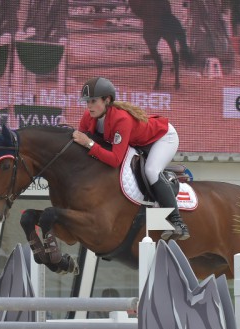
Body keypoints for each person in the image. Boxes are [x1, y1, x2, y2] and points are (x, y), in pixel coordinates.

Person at [72, 77, 190, 240]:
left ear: (107, 100)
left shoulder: (121, 119)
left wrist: (90, 144)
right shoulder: (88, 117)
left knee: (151, 171)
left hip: (163, 138)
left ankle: (178, 222)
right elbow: (82, 145)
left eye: (93, 101)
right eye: (87, 102)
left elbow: (114, 159)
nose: (89, 106)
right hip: (138, 142)